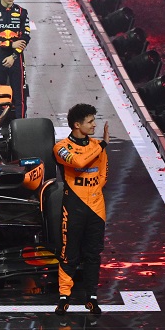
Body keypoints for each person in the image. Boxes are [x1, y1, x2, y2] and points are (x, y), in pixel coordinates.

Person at [53, 103, 109, 315]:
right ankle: (64, 297)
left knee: (94, 254)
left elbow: (103, 175)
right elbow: (77, 162)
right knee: (69, 254)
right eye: (90, 121)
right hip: (73, 207)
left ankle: (92, 297)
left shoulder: (97, 146)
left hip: (96, 208)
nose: (94, 125)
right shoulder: (61, 148)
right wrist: (102, 145)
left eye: (94, 120)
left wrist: (93, 192)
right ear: (77, 125)